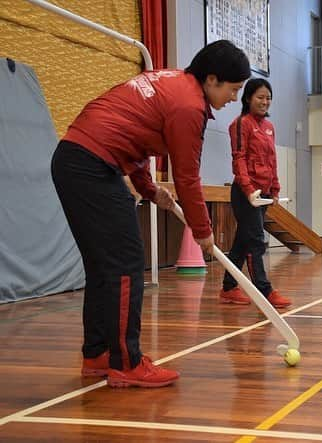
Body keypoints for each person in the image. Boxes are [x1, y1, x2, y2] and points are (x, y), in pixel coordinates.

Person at [51, 40, 251, 388]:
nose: (234, 98)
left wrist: (149, 190)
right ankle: (126, 363)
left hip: (75, 160)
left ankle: (99, 354)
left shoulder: (171, 82)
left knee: (105, 267)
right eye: (233, 89)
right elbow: (188, 176)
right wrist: (203, 231)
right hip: (91, 166)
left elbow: (135, 139)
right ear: (212, 79)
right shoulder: (189, 105)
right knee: (127, 263)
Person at [219, 78, 292, 308]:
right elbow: (238, 159)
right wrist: (249, 190)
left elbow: (272, 161)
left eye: (268, 98)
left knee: (243, 242)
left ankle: (228, 287)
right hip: (245, 193)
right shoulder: (240, 124)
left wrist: (275, 189)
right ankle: (264, 290)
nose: (265, 101)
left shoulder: (269, 128)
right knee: (256, 241)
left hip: (263, 195)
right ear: (248, 98)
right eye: (260, 97)